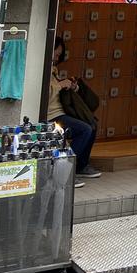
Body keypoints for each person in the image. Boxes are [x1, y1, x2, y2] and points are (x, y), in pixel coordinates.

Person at [47, 38, 101, 185]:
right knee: (84, 130)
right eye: (55, 54)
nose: (56, 58)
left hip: (61, 113)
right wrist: (60, 85)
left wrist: (71, 86)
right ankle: (63, 171)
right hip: (52, 116)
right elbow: (44, 95)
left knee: (92, 124)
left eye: (58, 56)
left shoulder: (53, 71)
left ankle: (81, 166)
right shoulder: (43, 70)